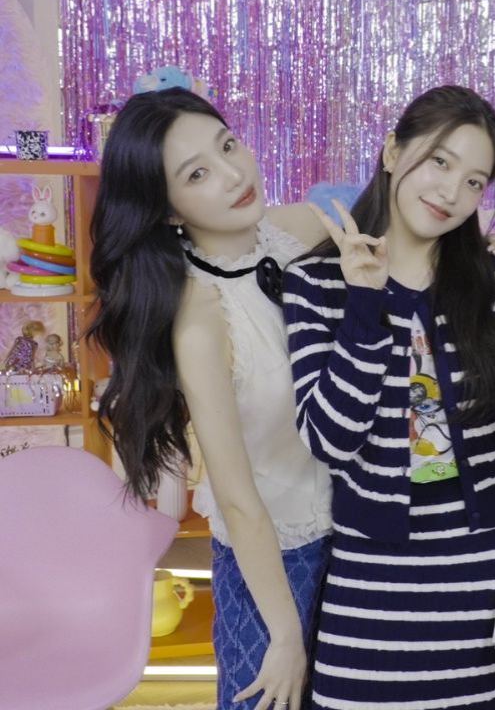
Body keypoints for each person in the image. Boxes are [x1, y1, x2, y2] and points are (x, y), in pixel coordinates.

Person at [283, 85, 495, 709]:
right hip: (373, 564)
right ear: (393, 151)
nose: (451, 192)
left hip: (482, 563)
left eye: (474, 182)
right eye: (440, 162)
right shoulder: (316, 282)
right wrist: (365, 302)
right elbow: (330, 440)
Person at [90, 87, 333, 710]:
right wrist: (284, 635)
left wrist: (492, 249)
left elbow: (408, 236)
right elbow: (237, 497)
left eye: (228, 146)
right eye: (196, 174)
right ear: (168, 209)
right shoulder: (200, 319)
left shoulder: (297, 229)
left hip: (353, 533)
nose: (233, 174)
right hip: (270, 557)